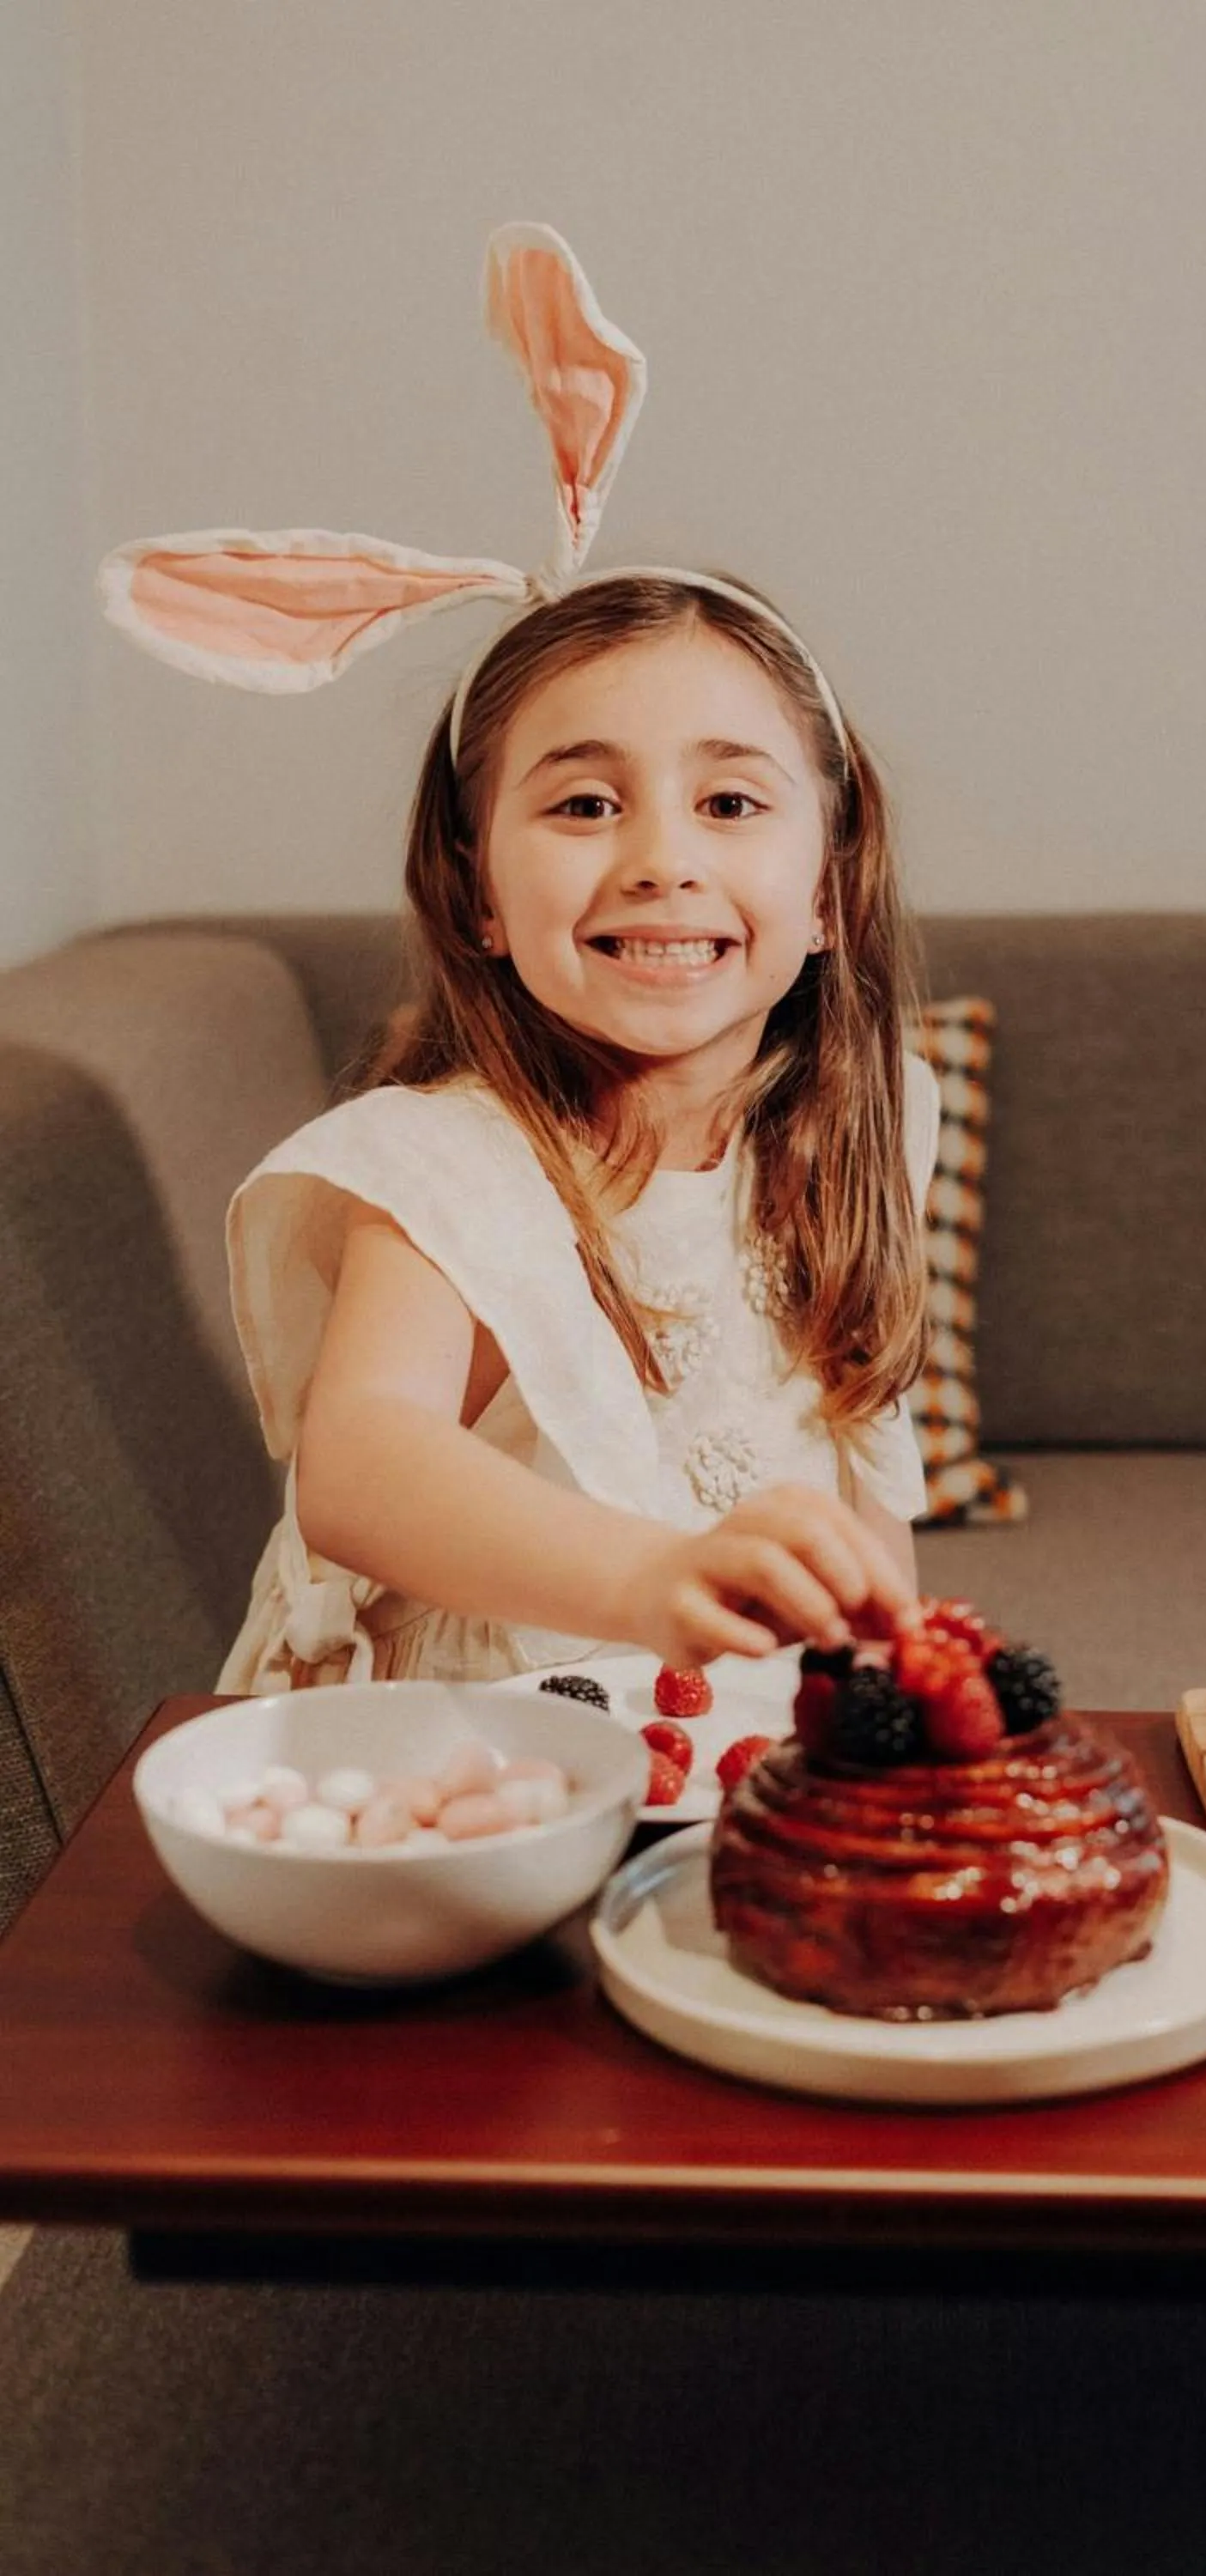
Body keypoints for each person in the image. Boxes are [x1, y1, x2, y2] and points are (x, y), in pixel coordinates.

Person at [99, 223, 932, 1690]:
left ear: (829, 895)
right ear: (478, 891)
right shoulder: (443, 1168)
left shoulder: (870, 1123)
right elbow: (360, 1462)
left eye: (730, 801)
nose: (662, 855)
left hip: (723, 1759)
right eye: (585, 803)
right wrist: (658, 1577)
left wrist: (899, 1694)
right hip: (467, 1775)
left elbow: (863, 1500)